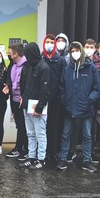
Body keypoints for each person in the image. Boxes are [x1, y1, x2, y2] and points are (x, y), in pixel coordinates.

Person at [56, 41, 100, 172]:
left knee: (87, 135)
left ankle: (87, 160)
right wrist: (65, 100)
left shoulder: (90, 67)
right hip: (69, 107)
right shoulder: (67, 68)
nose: (74, 53)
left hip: (86, 108)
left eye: (77, 50)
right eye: (72, 51)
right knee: (65, 134)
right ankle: (63, 158)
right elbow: (62, 87)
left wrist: (89, 100)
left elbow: (97, 88)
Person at [18, 43, 50, 170]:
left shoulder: (44, 67)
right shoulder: (31, 66)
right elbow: (27, 85)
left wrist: (39, 107)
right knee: (30, 133)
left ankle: (41, 159)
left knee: (40, 134)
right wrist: (23, 99)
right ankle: (31, 157)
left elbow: (45, 91)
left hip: (37, 106)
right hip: (28, 104)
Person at [3, 44, 28, 159]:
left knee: (25, 125)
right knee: (19, 125)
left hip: (23, 100)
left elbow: (28, 83)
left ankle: (25, 149)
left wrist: (24, 96)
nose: (9, 54)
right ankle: (18, 148)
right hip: (14, 99)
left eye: (10, 52)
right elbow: (9, 77)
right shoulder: (12, 64)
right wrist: (8, 86)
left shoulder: (27, 65)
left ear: (15, 54)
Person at [42, 34, 64, 166]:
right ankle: (42, 153)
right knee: (41, 126)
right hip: (43, 98)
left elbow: (62, 79)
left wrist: (60, 95)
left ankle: (53, 153)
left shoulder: (60, 60)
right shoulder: (40, 58)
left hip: (55, 99)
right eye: (47, 42)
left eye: (52, 42)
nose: (49, 44)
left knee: (54, 126)